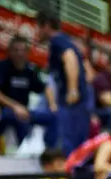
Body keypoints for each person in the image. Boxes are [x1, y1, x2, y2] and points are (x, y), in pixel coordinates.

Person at [0, 35, 59, 152]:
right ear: (9, 51)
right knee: (16, 116)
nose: (19, 54)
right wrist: (15, 106)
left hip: (24, 110)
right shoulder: (1, 66)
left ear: (28, 53)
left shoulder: (29, 70)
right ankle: (24, 148)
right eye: (16, 50)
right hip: (4, 110)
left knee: (53, 116)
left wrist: (52, 105)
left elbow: (45, 88)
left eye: (23, 50)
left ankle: (50, 151)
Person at [35, 11, 91, 156]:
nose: (36, 32)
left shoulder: (57, 41)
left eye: (38, 27)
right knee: (75, 143)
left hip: (72, 102)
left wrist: (72, 89)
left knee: (69, 144)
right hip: (77, 101)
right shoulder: (66, 40)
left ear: (46, 26)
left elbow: (70, 59)